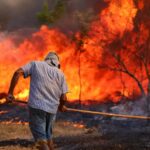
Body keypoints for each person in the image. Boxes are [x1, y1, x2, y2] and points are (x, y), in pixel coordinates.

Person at [6, 52, 68, 150]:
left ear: (46, 60)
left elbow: (18, 73)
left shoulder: (35, 64)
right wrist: (61, 106)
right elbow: (64, 98)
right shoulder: (61, 74)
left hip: (37, 108)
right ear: (57, 63)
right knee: (48, 139)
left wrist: (10, 93)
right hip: (52, 110)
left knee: (41, 141)